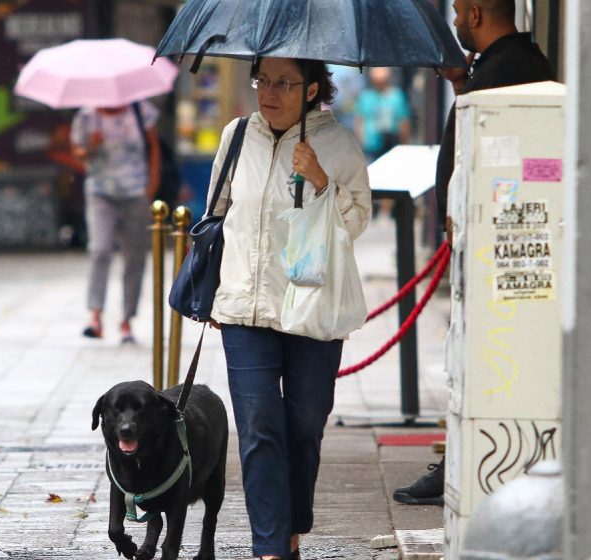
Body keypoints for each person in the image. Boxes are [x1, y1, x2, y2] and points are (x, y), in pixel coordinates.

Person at [393, 0, 555, 507]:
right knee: (467, 356)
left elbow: (505, 156)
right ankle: (459, 461)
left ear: (479, 13)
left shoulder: (513, 71)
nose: (457, 21)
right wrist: (461, 83)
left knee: (485, 356)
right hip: (482, 239)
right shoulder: (500, 67)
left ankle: (465, 463)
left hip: (499, 246)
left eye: (461, 12)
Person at [209, 57, 371, 560]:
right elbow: (216, 212)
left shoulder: (339, 145)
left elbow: (357, 223)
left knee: (303, 426)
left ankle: (293, 526)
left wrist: (322, 180)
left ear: (313, 89)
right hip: (246, 309)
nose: (270, 92)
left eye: (284, 83)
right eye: (264, 81)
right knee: (258, 424)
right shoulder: (236, 137)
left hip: (312, 310)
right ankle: (270, 547)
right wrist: (220, 285)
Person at [70, 101, 160, 343]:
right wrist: (91, 147)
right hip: (101, 193)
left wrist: (151, 186)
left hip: (135, 193)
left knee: (135, 257)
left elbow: (153, 148)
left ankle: (126, 320)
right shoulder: (87, 116)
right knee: (100, 250)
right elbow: (78, 154)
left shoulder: (141, 111)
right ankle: (95, 316)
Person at [354, 67, 412, 162]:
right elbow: (359, 121)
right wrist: (360, 143)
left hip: (392, 146)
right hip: (370, 148)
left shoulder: (396, 96)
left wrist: (405, 145)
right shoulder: (366, 96)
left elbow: (404, 122)